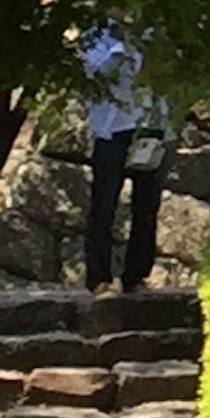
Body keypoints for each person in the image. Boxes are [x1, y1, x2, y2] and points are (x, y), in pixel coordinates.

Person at [76, 24, 169, 293]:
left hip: (148, 125)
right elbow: (97, 73)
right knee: (104, 204)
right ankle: (98, 278)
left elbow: (164, 79)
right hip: (111, 129)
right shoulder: (95, 37)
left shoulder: (153, 35)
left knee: (147, 205)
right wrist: (124, 46)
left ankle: (136, 275)